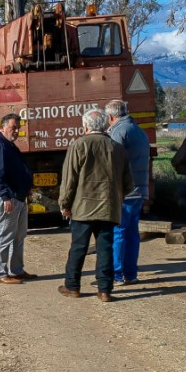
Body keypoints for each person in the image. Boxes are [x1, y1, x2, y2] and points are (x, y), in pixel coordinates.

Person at [58, 108, 134, 302]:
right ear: (106, 124)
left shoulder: (79, 145)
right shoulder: (117, 148)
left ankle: (72, 286)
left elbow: (69, 180)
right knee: (105, 249)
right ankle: (105, 290)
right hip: (108, 208)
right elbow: (128, 184)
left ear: (85, 126)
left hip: (82, 208)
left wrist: (64, 204)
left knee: (78, 248)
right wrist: (117, 199)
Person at [0, 113, 35, 284]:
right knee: (4, 235)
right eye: (13, 127)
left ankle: (16, 270)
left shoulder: (9, 145)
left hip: (18, 197)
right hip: (7, 198)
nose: (16, 130)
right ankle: (0, 273)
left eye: (18, 127)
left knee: (19, 235)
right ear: (2, 127)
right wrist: (5, 197)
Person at [106, 99, 149, 284]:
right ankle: (131, 273)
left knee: (118, 232)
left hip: (124, 191)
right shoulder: (138, 131)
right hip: (139, 188)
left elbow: (112, 161)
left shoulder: (118, 132)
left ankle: (116, 273)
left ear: (110, 116)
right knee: (132, 233)